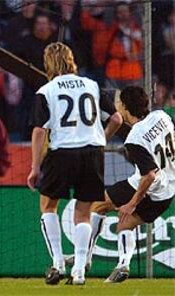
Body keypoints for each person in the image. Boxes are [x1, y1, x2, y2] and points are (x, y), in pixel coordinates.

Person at [26, 42, 122, 285]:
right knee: (83, 213)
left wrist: (35, 166)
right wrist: (101, 138)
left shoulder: (46, 90)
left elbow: (39, 131)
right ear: (71, 60)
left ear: (48, 63)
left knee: (48, 206)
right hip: (92, 153)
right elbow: (117, 118)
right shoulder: (92, 85)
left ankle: (58, 263)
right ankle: (79, 270)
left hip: (62, 153)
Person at [76, 86, 175, 283]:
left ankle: (84, 259)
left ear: (125, 107)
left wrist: (132, 203)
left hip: (148, 188)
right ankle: (122, 265)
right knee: (125, 225)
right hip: (168, 192)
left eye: (119, 103)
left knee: (97, 205)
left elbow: (149, 176)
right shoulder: (162, 117)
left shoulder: (135, 138)